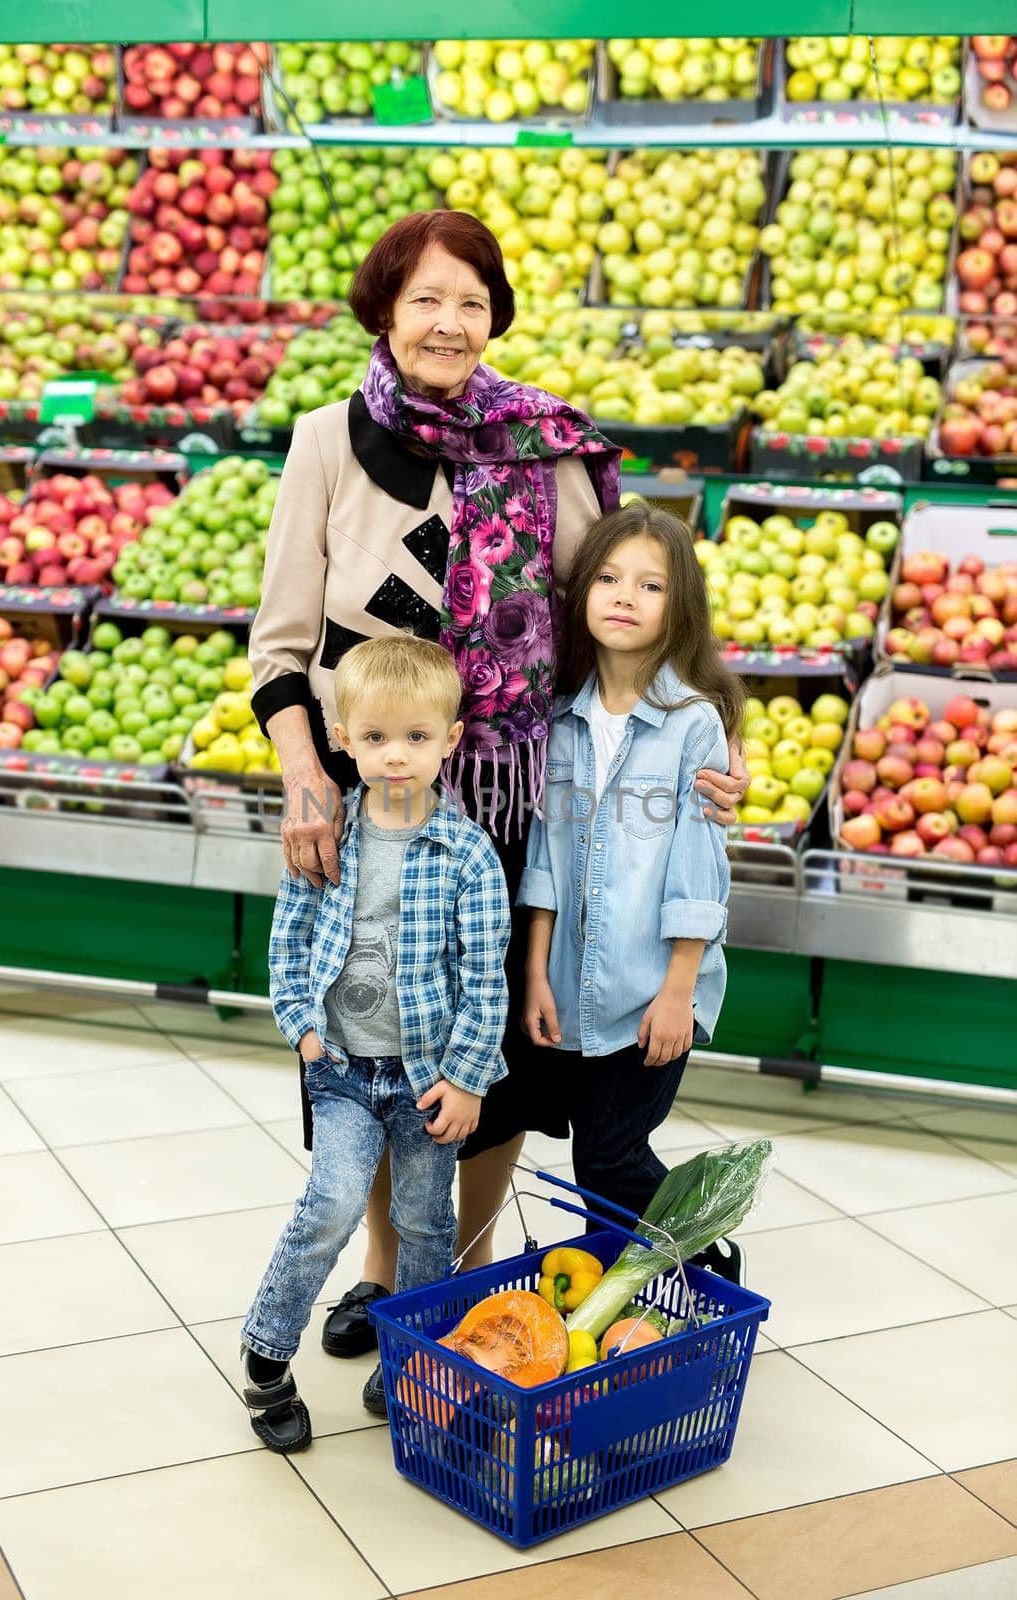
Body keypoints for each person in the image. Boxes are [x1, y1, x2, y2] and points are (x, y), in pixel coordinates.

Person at [248, 208, 749, 1373]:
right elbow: (278, 645)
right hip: (367, 797)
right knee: (372, 1030)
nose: (447, 321)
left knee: (487, 1059)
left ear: (494, 318)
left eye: (470, 301)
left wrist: (699, 751)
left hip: (514, 805)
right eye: (425, 298)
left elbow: (618, 619)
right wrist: (302, 783)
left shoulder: (547, 447)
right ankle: (382, 1272)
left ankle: (458, 1272)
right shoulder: (327, 440)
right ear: (384, 308)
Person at [240, 636, 510, 1451]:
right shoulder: (326, 833)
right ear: (344, 738)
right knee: (327, 1204)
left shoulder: (467, 853)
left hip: (427, 1076)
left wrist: (466, 1081)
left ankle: (409, 1363)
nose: (397, 757)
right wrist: (303, 1030)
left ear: (450, 739)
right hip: (344, 1072)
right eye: (377, 738)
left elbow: (484, 976)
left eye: (417, 738)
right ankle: (265, 1359)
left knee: (428, 1225)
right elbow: (288, 939)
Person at [519, 504, 746, 1282]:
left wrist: (677, 990)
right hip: (573, 986)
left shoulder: (692, 726)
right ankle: (624, 1303)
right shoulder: (560, 721)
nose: (624, 596)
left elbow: (696, 870)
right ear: (581, 593)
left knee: (610, 1153)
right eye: (609, 579)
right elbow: (546, 859)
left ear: (678, 605)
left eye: (649, 584)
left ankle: (708, 1267)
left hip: (653, 984)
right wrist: (536, 974)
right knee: (596, 1159)